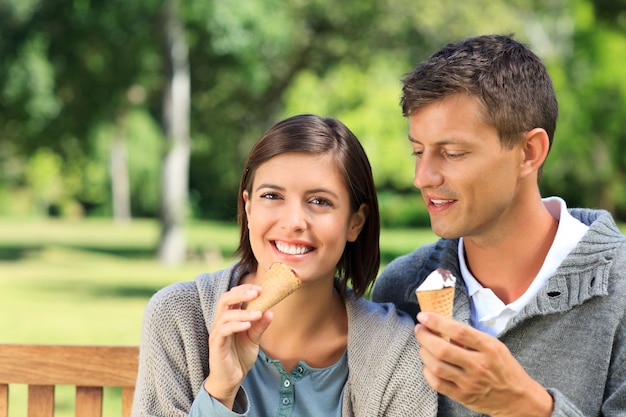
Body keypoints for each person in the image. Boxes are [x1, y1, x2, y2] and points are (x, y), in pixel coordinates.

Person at [371, 34, 626, 417]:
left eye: (452, 153)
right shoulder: (400, 288)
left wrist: (526, 405)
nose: (421, 177)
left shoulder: (620, 289)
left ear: (529, 152)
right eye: (418, 151)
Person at [132, 114, 437, 417]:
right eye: (272, 196)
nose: (293, 222)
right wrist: (219, 391)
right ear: (248, 208)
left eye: (320, 201)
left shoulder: (396, 349)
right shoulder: (178, 318)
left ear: (355, 222)